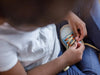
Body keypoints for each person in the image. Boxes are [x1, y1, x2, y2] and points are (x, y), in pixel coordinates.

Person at [0, 0, 97, 75]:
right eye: (49, 21)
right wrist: (65, 60)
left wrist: (69, 16)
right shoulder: (3, 47)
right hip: (48, 65)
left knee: (86, 6)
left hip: (54, 38)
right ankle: (88, 45)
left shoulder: (25, 9)